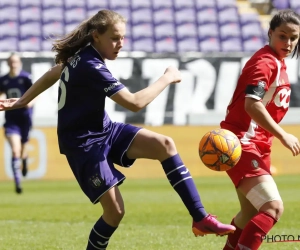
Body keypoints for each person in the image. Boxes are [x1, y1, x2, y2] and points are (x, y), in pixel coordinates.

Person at [0, 9, 235, 249]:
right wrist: (167, 77)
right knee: (115, 213)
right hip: (83, 145)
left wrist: (23, 100)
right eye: (115, 38)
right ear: (96, 36)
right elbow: (134, 103)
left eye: (123, 37)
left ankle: (200, 218)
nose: (120, 44)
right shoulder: (91, 64)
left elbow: (55, 71)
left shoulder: (82, 55)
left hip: (104, 130)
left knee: (165, 144)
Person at [220, 9, 300, 250]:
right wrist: (283, 135)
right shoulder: (265, 62)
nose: (288, 42)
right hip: (242, 144)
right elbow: (252, 105)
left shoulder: (279, 63)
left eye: (293, 37)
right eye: (282, 36)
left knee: (248, 215)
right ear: (270, 33)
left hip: (257, 146)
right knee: (272, 208)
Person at [0, 53, 34, 194]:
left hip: (25, 119)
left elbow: (35, 94)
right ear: (8, 64)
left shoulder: (26, 78)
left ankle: (24, 160)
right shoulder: (3, 80)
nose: (13, 64)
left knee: (22, 151)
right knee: (15, 150)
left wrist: (30, 103)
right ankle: (18, 182)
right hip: (11, 120)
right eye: (11, 62)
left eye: (15, 62)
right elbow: (1, 94)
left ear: (19, 63)